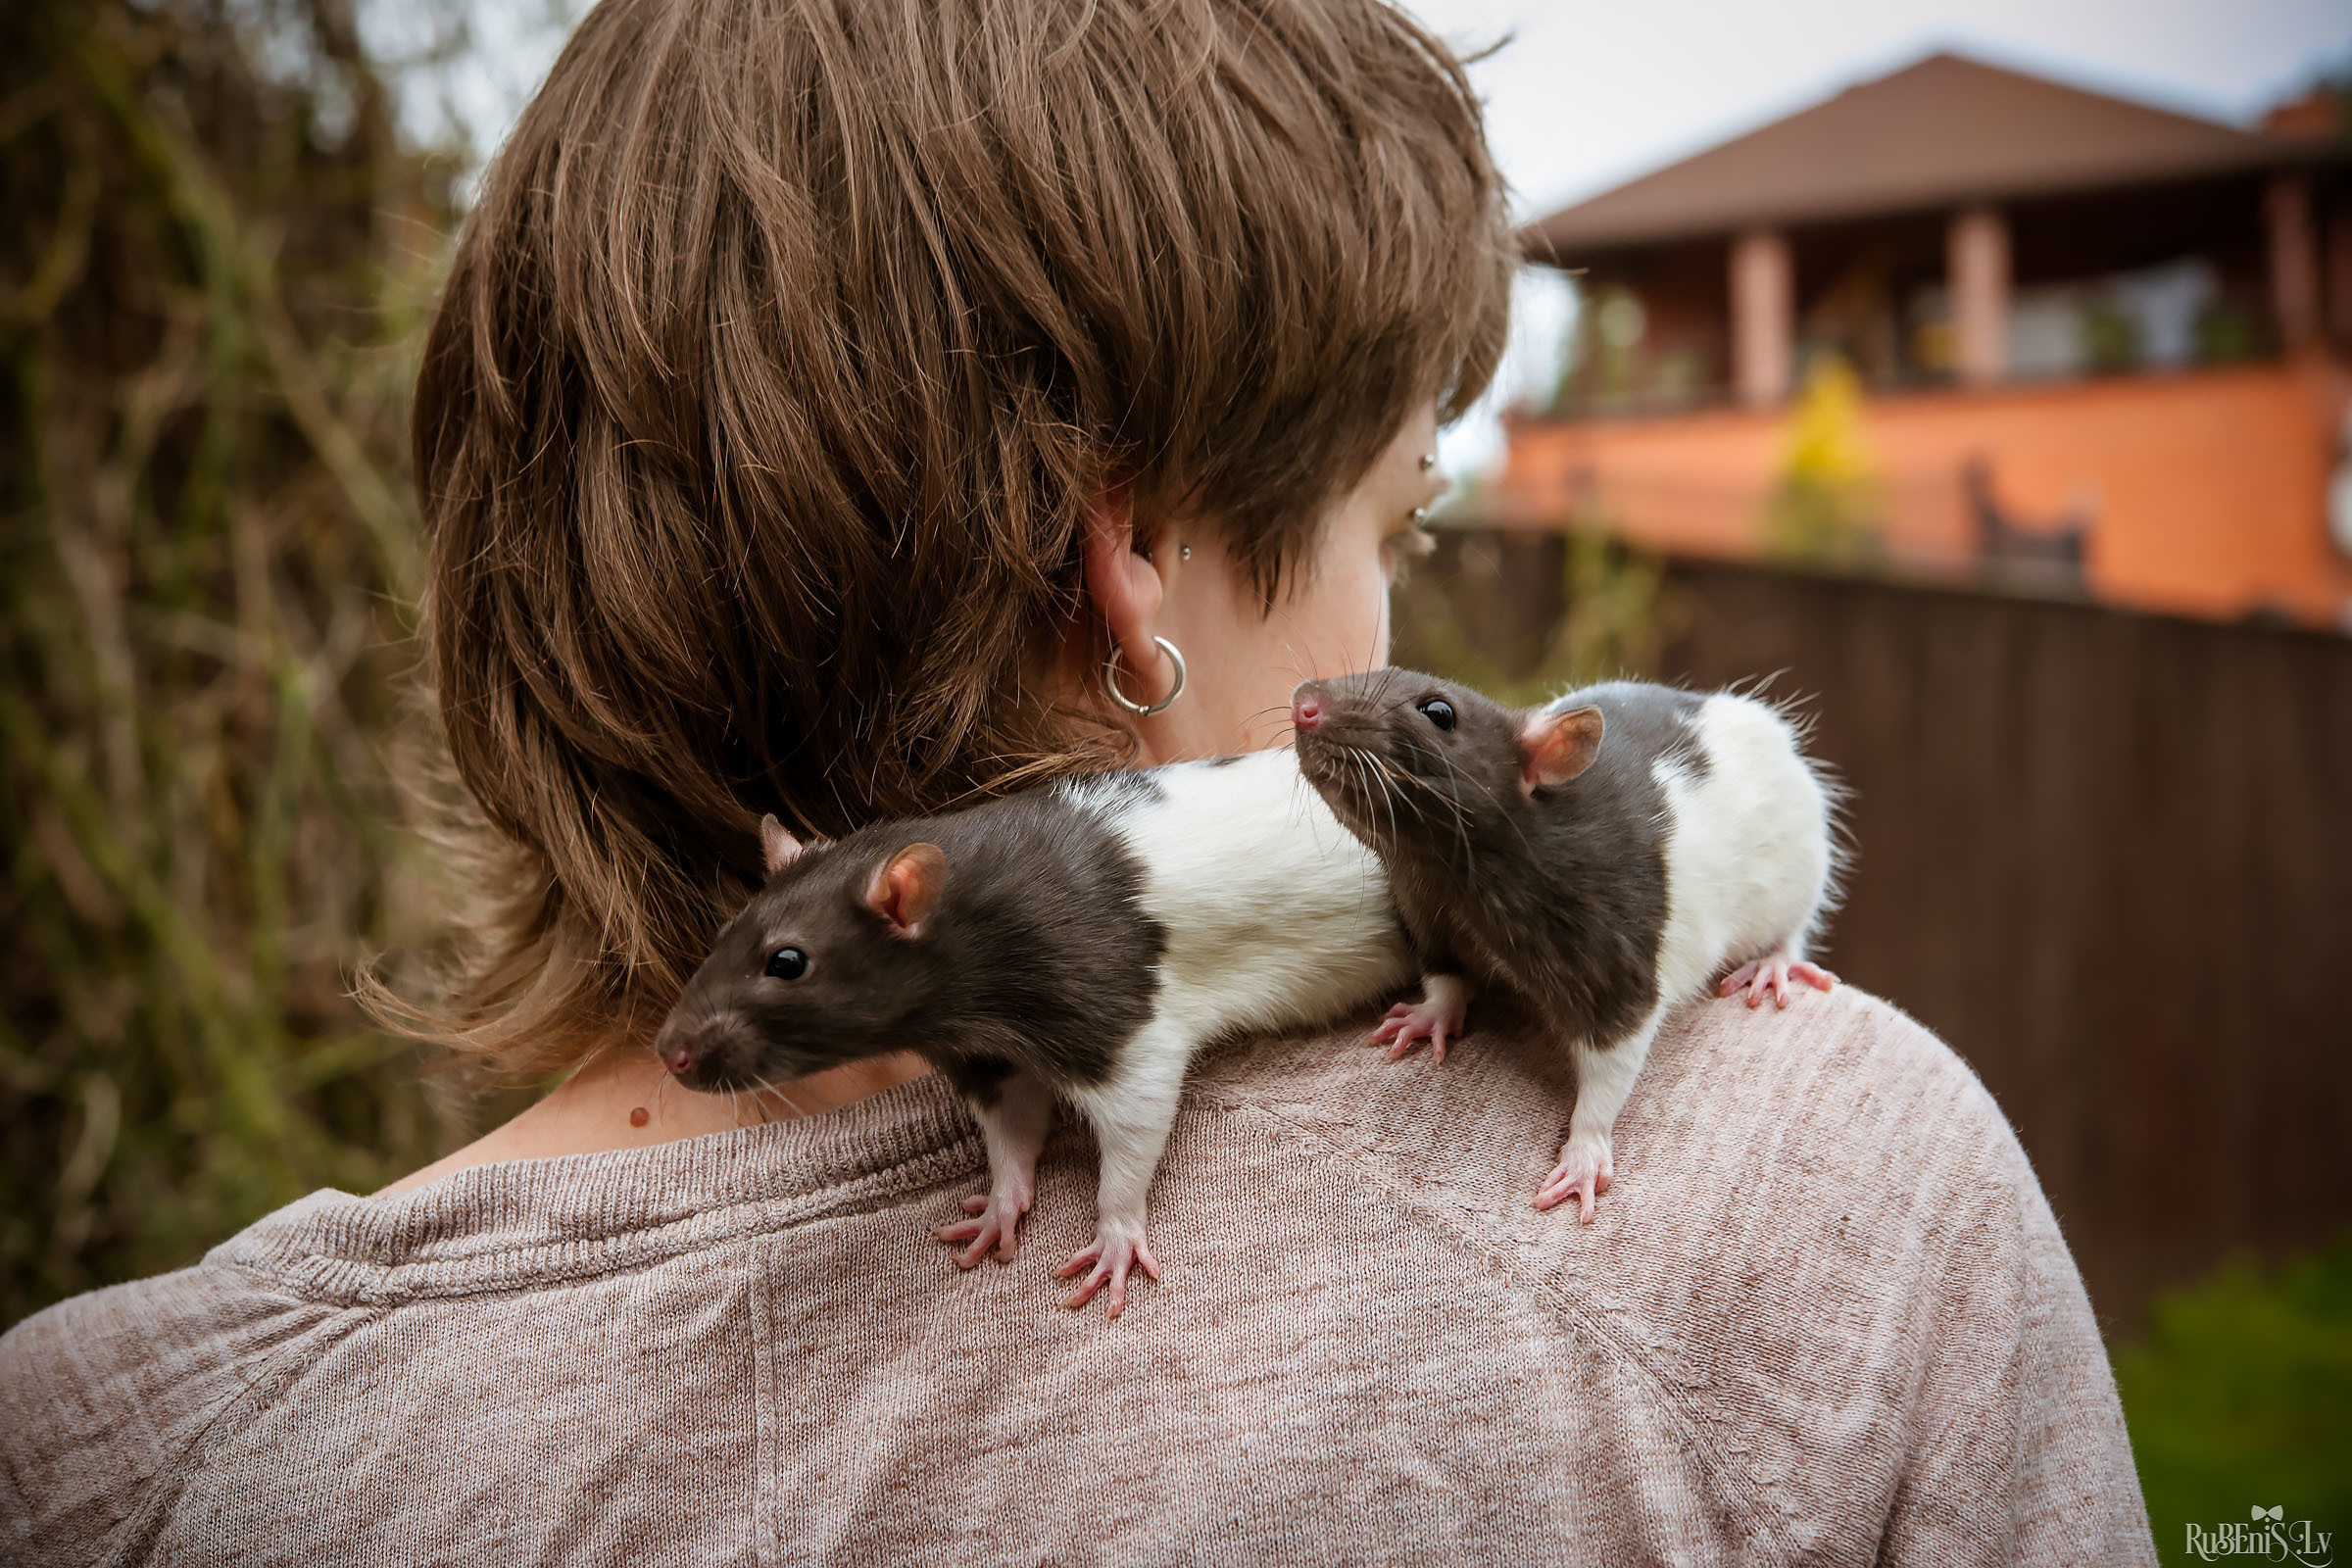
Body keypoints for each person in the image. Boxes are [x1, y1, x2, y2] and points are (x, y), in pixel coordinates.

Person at [0, 0, 2155, 1560]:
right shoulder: (1794, 1204)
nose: (1396, 636)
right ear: (1133, 579)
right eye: (1392, 523)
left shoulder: (115, 1445)